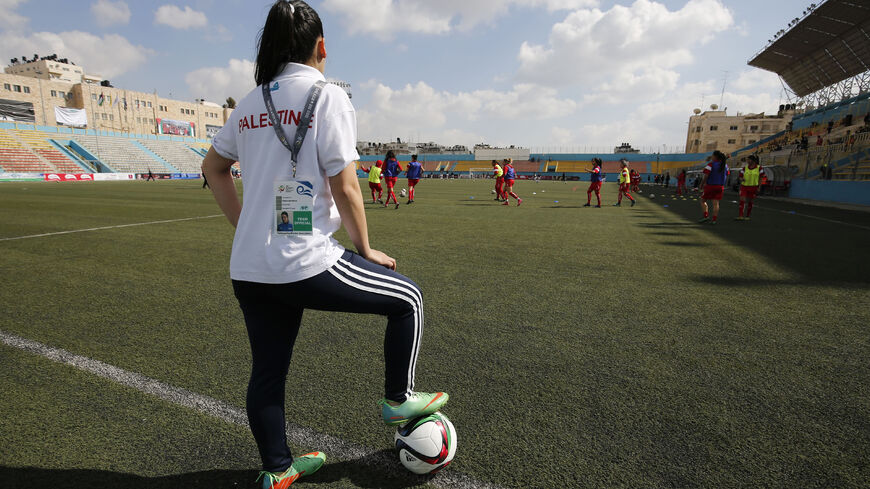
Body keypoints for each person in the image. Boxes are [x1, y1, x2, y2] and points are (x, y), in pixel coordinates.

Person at [200, 2, 448, 487]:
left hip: (250, 267)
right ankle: (399, 400)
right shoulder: (327, 95)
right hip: (304, 260)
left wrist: (245, 224)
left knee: (267, 372)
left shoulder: (249, 103)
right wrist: (366, 247)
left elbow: (213, 169)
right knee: (408, 298)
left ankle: (276, 471)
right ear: (321, 47)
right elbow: (346, 186)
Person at [698, 151, 729, 225]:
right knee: (716, 203)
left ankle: (706, 216)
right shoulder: (725, 166)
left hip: (710, 186)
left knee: (703, 201)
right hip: (720, 187)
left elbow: (706, 176)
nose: (711, 157)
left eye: (712, 155)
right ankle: (714, 220)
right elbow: (727, 175)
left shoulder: (711, 165)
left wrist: (701, 184)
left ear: (715, 157)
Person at [736, 155, 764, 221]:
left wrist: (759, 187)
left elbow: (761, 178)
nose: (747, 161)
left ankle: (747, 216)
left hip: (753, 187)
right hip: (744, 186)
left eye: (748, 160)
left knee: (750, 201)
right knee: (742, 199)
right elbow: (740, 176)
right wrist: (741, 179)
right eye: (747, 160)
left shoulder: (759, 168)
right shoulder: (745, 168)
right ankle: (740, 216)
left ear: (753, 160)